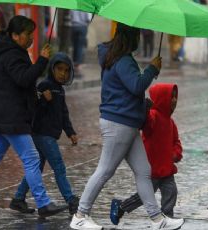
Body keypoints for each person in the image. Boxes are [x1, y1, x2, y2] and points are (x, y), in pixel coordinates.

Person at [69, 22, 184, 230]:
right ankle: (80, 214)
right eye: (137, 36)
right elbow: (137, 85)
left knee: (143, 171)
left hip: (127, 123)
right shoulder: (122, 60)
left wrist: (143, 99)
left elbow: (128, 91)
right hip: (118, 123)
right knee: (104, 171)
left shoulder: (116, 58)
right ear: (131, 38)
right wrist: (151, 69)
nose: (139, 40)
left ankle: (157, 219)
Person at [0, 16, 67, 217]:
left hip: (5, 115)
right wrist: (42, 59)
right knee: (32, 158)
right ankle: (43, 203)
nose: (31, 39)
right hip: (11, 117)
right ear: (15, 35)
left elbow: (17, 84)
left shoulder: (12, 52)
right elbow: (24, 79)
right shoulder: (12, 55)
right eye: (27, 35)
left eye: (32, 35)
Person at [11, 52, 80, 215]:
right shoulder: (44, 85)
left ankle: (18, 198)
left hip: (49, 135)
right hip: (42, 134)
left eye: (66, 71)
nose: (63, 74)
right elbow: (34, 110)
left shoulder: (60, 90)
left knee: (36, 168)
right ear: (52, 69)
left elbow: (63, 114)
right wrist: (43, 100)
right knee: (59, 167)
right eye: (59, 70)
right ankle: (70, 200)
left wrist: (70, 132)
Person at [110, 83, 184, 226]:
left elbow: (176, 141)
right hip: (152, 168)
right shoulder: (154, 115)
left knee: (171, 192)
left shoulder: (171, 122)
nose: (174, 100)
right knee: (143, 196)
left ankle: (166, 217)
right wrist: (145, 109)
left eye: (176, 97)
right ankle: (121, 207)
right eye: (171, 97)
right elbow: (147, 125)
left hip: (167, 169)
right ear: (162, 99)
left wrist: (176, 153)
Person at [70, 10, 91, 76]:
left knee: (75, 46)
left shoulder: (73, 5)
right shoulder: (85, 5)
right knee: (80, 46)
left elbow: (71, 15)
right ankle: (77, 66)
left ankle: (74, 63)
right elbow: (88, 18)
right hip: (82, 26)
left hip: (74, 26)